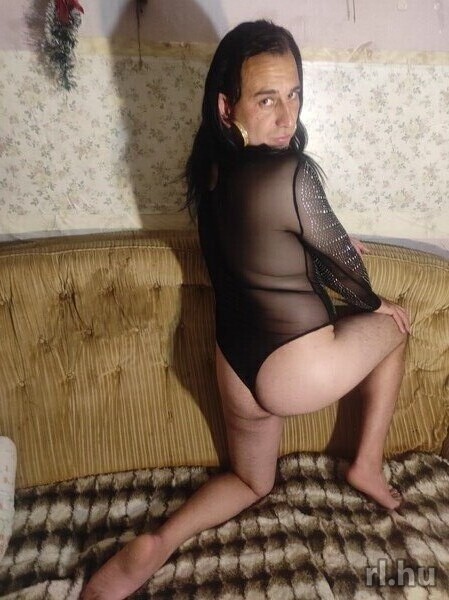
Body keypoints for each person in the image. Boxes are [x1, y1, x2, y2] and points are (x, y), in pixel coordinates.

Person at [82, 20, 410, 600]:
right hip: (294, 368)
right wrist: (376, 299)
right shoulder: (292, 172)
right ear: (226, 105)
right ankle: (367, 464)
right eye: (267, 99)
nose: (287, 117)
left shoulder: (211, 175)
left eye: (294, 94)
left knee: (251, 481)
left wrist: (325, 243)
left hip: (235, 367)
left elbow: (267, 254)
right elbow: (352, 282)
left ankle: (160, 541)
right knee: (396, 324)